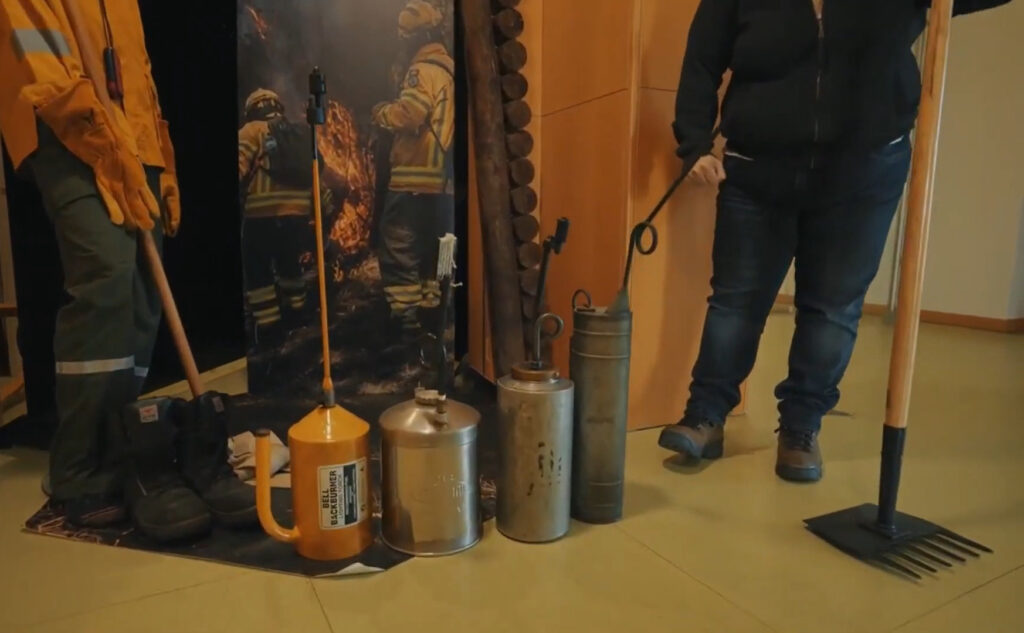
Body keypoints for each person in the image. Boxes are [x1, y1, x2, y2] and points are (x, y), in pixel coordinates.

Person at [657, 0, 1012, 482]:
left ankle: (801, 427)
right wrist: (694, 141)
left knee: (832, 309)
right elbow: (702, 58)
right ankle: (705, 416)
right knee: (735, 302)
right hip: (759, 170)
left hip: (863, 172)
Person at [0, 1, 252, 540]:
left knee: (142, 295)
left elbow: (137, 74)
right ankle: (76, 469)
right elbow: (39, 66)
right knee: (107, 278)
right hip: (65, 129)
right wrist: (103, 145)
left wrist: (160, 153)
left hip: (131, 139)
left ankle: (127, 449)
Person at [371, 0, 455, 362]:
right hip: (442, 187)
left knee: (399, 249)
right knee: (433, 255)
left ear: (414, 38)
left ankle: (405, 326)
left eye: (404, 37)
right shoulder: (451, 70)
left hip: (412, 181)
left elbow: (409, 115)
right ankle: (432, 318)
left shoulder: (422, 70)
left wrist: (381, 113)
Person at [238, 89, 319, 351]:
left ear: (251, 110)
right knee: (289, 265)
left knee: (258, 271)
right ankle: (298, 315)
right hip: (297, 215)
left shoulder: (251, 131)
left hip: (262, 216)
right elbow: (317, 170)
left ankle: (270, 329)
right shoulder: (298, 132)